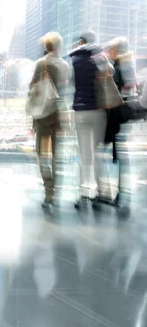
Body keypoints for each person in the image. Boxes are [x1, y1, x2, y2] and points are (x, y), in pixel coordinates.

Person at [29, 32, 70, 208]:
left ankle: (49, 190)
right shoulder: (65, 65)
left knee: (41, 153)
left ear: (46, 46)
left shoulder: (41, 63)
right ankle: (56, 191)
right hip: (58, 113)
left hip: (43, 114)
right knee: (56, 154)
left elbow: (33, 87)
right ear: (59, 46)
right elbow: (66, 89)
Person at [69, 30, 109, 210]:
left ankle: (84, 193)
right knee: (97, 152)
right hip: (98, 110)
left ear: (81, 42)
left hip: (80, 112)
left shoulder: (75, 61)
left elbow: (71, 82)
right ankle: (99, 192)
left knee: (84, 154)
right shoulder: (99, 58)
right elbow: (111, 71)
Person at [102, 37, 137, 214]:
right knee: (120, 156)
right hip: (122, 117)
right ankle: (120, 194)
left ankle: (119, 195)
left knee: (119, 156)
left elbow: (115, 91)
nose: (109, 52)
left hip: (117, 117)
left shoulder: (119, 67)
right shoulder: (127, 65)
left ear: (117, 51)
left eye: (111, 49)